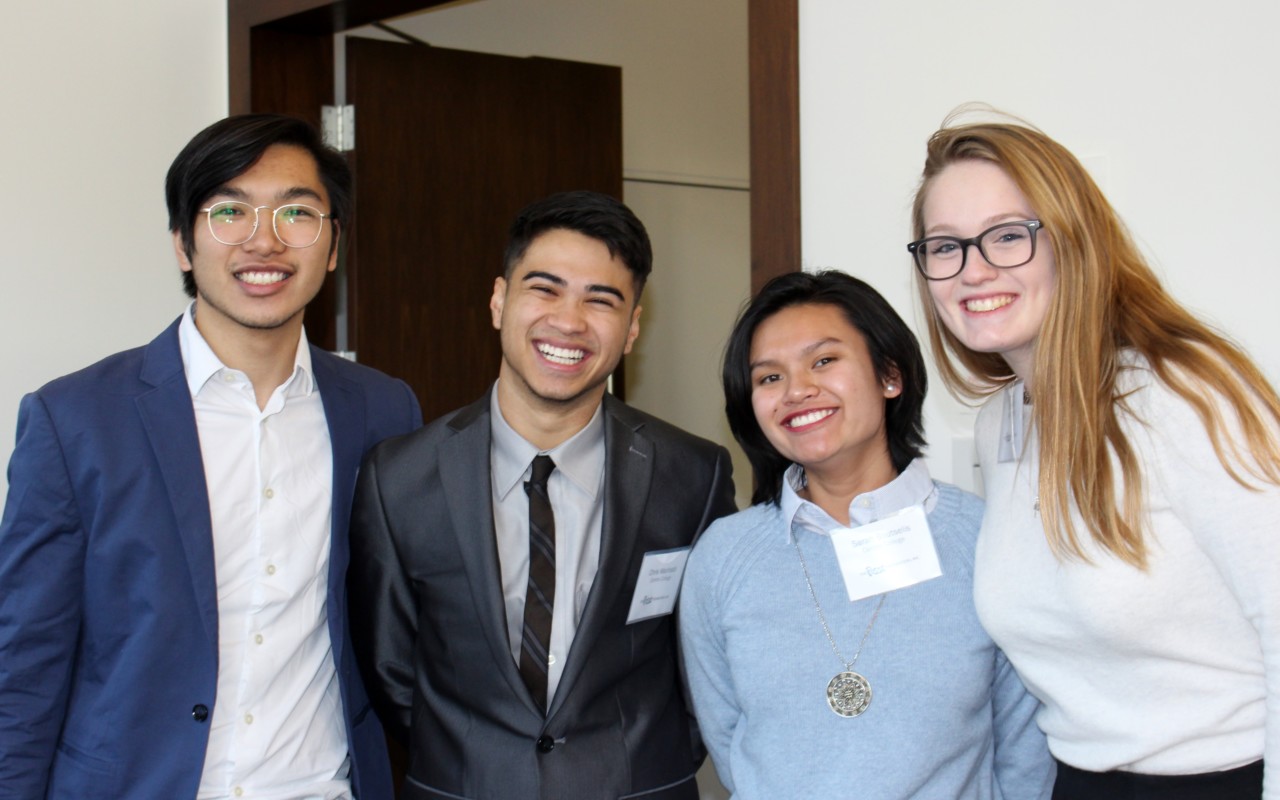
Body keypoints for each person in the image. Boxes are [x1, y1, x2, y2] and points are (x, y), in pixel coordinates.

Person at [0, 114, 422, 800]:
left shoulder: (383, 410)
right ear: (182, 244)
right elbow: (23, 665)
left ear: (334, 243)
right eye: (229, 211)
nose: (265, 239)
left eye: (297, 212)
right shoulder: (75, 419)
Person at [909, 115, 1280, 799]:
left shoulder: (1183, 391)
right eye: (945, 247)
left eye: (1008, 236)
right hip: (1077, 780)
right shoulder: (1003, 423)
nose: (974, 269)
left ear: (1072, 241)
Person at [348, 190, 737, 800]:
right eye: (545, 289)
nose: (569, 321)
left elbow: (707, 661)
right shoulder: (398, 476)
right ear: (500, 300)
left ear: (633, 327)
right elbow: (392, 671)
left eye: (601, 300)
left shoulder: (691, 474)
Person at [679, 269, 1053, 799]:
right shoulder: (724, 555)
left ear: (890, 376)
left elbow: (1024, 751)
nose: (797, 391)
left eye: (824, 361)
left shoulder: (985, 538)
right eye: (769, 378)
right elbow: (729, 740)